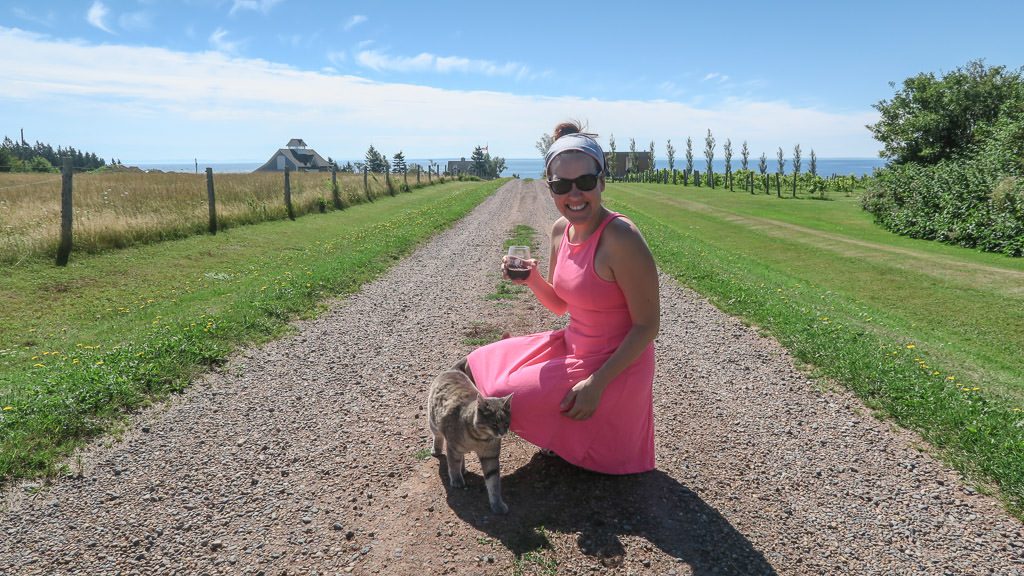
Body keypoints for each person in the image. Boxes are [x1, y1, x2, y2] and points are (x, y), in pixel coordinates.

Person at [463, 121, 660, 474]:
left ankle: (578, 433)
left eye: (585, 182)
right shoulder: (560, 230)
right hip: (573, 345)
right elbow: (561, 304)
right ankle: (562, 430)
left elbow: (647, 327)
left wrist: (597, 384)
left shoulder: (621, 238)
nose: (574, 194)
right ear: (550, 187)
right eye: (561, 185)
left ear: (601, 181)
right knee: (485, 363)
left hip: (616, 365)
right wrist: (533, 279)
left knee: (507, 398)